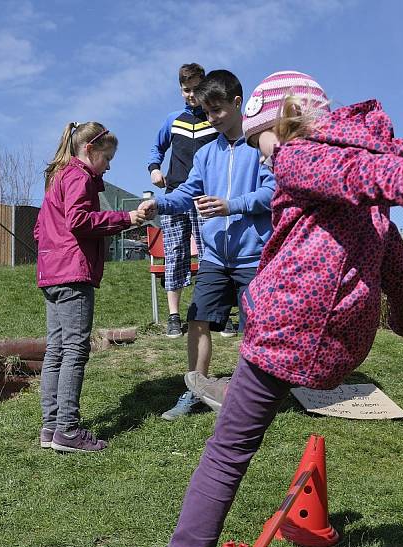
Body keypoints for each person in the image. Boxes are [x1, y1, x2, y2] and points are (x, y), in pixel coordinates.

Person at [135, 71, 403, 547]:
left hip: (284, 332)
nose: (265, 156)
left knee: (228, 450)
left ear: (287, 122)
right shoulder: (369, 210)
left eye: (262, 141)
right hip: (339, 348)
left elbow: (359, 167)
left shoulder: (301, 158)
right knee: (247, 418)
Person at [146, 69, 275, 421]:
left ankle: (253, 398)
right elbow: (187, 193)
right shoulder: (205, 154)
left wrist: (231, 205)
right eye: (206, 112)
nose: (212, 118)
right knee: (197, 319)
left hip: (255, 256)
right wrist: (160, 203)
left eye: (217, 111)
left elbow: (273, 192)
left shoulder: (260, 145)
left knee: (257, 328)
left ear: (238, 103)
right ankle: (196, 390)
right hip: (215, 258)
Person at [35, 122, 150, 453]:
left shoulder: (57, 177)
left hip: (51, 272)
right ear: (89, 150)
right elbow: (79, 221)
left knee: (56, 349)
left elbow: (41, 231)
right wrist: (126, 218)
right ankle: (67, 430)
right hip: (72, 274)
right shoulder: (78, 176)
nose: (110, 165)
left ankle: (51, 427)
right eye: (107, 157)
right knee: (74, 349)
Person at [148, 63, 218, 339]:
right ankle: (174, 316)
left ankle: (210, 313)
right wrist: (154, 167)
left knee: (209, 253)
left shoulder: (214, 119)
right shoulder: (173, 119)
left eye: (196, 89)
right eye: (186, 90)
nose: (191, 95)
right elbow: (157, 147)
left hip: (205, 197)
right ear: (180, 90)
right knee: (175, 252)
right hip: (175, 196)